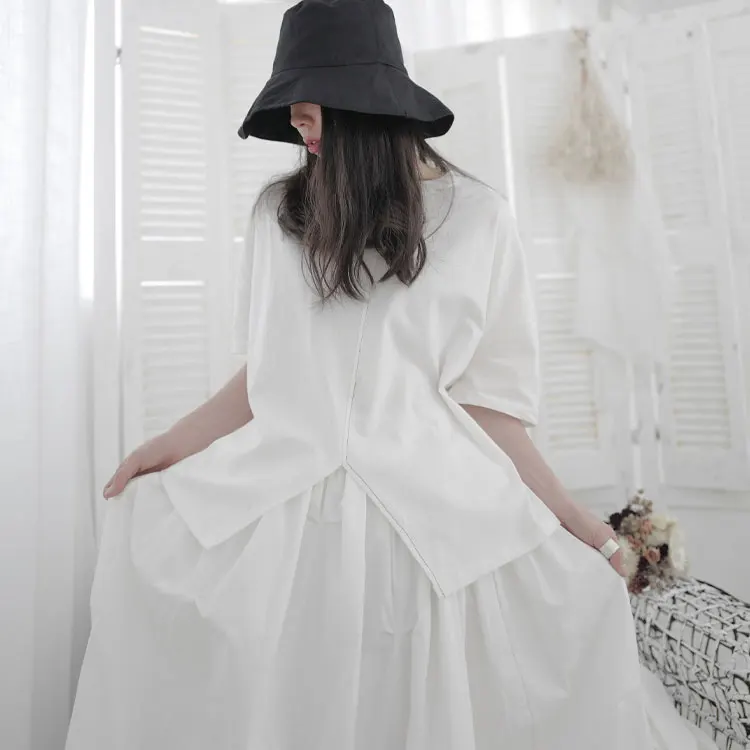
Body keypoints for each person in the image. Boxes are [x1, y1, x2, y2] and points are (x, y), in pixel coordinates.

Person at [65, 1, 717, 749]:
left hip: (431, 519)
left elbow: (491, 406)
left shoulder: (479, 219)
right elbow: (268, 372)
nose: (297, 126)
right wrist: (168, 446)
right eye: (292, 108)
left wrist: (581, 526)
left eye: (309, 106)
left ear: (362, 105)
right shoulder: (279, 215)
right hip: (286, 510)